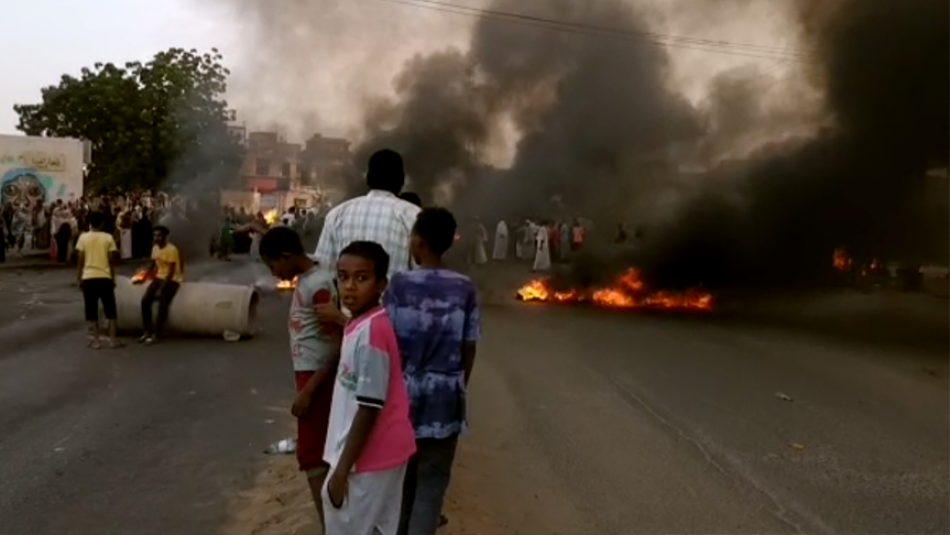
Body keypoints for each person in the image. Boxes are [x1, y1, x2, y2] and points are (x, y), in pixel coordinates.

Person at [384, 208, 480, 535]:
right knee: (431, 485)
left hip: (403, 396)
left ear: (420, 242)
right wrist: (457, 386)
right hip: (445, 398)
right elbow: (469, 346)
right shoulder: (464, 288)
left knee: (403, 484)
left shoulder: (399, 285)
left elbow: (387, 342)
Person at [323, 241, 416, 535]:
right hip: (377, 452)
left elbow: (369, 406)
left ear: (380, 285)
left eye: (361, 278)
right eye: (343, 276)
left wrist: (341, 470)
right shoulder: (358, 324)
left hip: (369, 457)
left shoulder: (373, 331)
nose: (349, 286)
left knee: (348, 527)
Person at [259, 226, 342, 531]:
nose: (273, 272)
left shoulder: (318, 286)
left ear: (286, 257)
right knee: (317, 451)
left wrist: (309, 391)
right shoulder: (313, 273)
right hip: (311, 376)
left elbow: (337, 342)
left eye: (273, 265)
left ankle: (330, 527)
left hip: (318, 379)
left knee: (312, 455)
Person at [315, 149, 421, 281]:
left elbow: (323, 274)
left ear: (368, 178)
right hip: (396, 301)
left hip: (348, 301)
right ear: (401, 180)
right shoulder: (413, 216)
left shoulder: (337, 215)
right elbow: (421, 276)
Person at [75, 212, 123, 349]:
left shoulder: (83, 238)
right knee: (111, 310)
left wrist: (79, 277)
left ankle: (96, 341)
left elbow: (80, 259)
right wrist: (113, 277)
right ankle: (113, 340)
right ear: (102, 223)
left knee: (91, 311)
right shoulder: (108, 237)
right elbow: (111, 260)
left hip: (89, 278)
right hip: (105, 277)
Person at [139, 226, 183, 345]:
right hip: (159, 277)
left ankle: (157, 334)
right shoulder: (155, 248)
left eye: (159, 235)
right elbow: (152, 265)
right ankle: (147, 331)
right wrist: (143, 276)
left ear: (164, 236)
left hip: (172, 279)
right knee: (145, 301)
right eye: (154, 235)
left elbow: (171, 271)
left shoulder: (172, 249)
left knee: (163, 303)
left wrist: (162, 287)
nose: (156, 238)